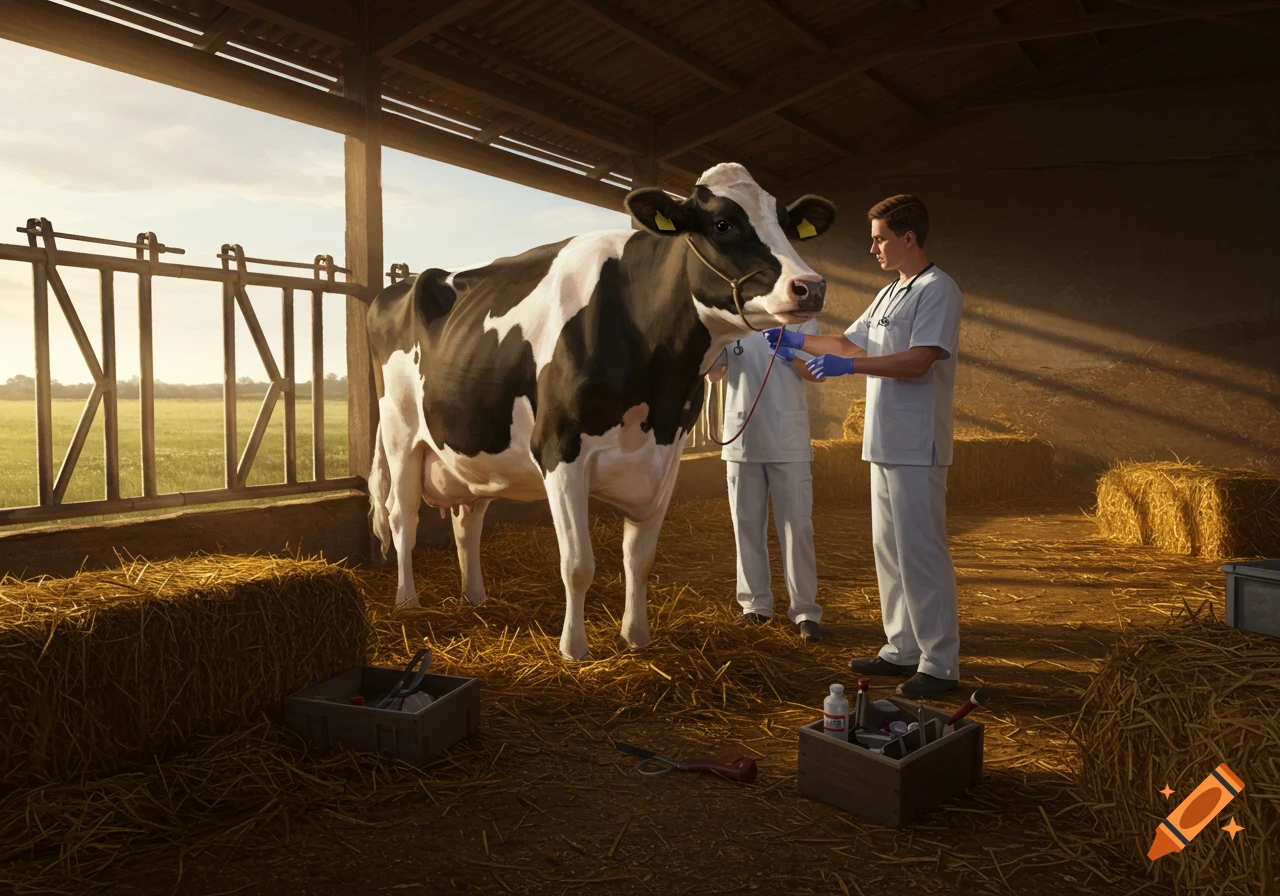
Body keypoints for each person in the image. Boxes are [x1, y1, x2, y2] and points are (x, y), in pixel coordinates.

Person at [763, 194, 963, 699]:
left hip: (918, 443)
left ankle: (940, 665)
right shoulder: (889, 293)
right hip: (882, 442)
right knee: (889, 551)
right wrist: (794, 342)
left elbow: (919, 360)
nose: (872, 247)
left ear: (908, 238)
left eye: (879, 238)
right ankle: (902, 649)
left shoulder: (937, 290)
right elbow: (849, 343)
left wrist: (848, 368)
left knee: (921, 551)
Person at [706, 315, 824, 643]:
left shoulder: (803, 321)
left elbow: (817, 374)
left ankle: (805, 611)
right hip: (741, 440)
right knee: (746, 525)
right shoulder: (733, 321)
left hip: (789, 440)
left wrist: (790, 354)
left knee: (797, 527)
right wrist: (710, 340)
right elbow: (714, 374)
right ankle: (755, 605)